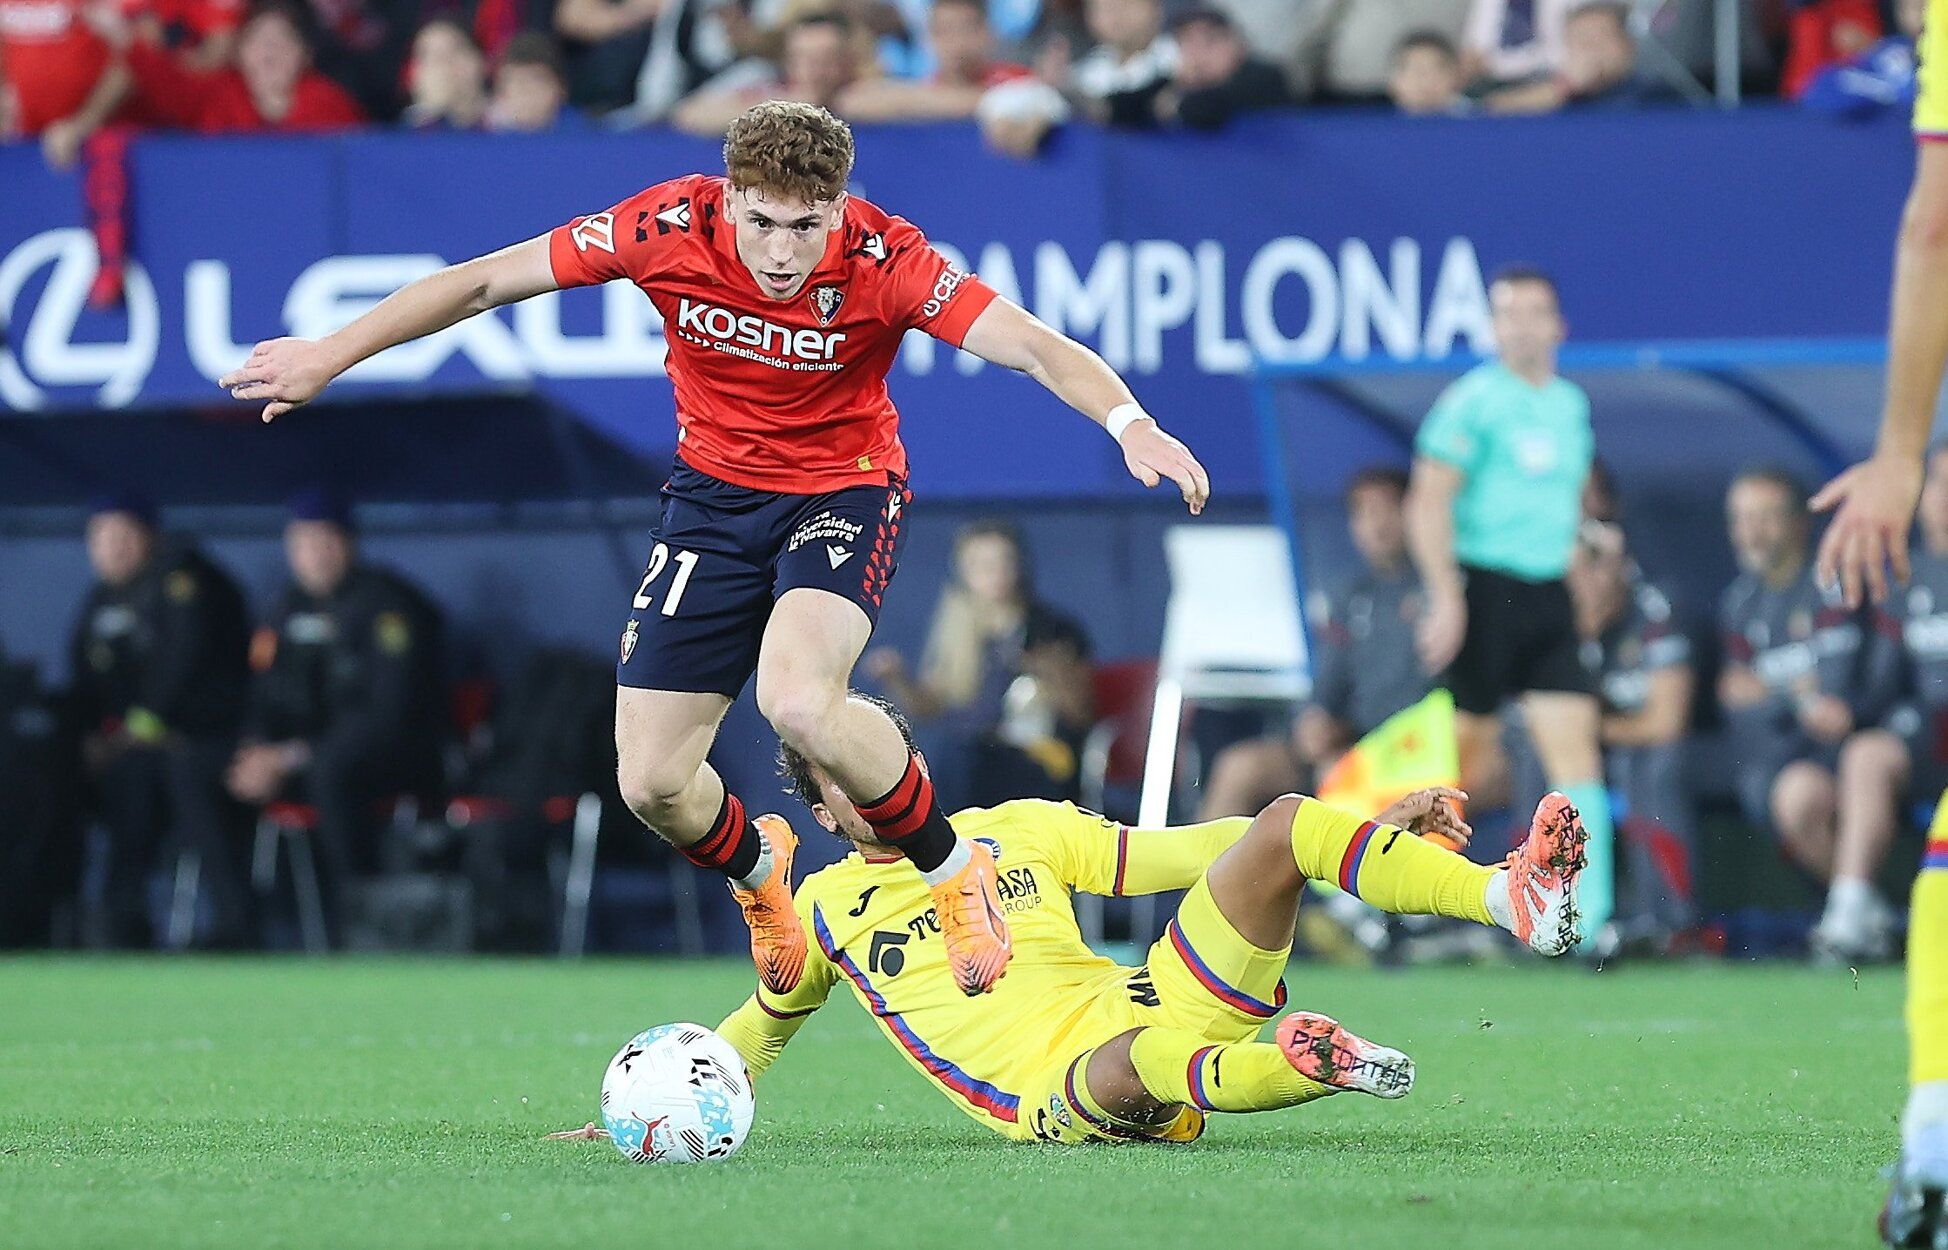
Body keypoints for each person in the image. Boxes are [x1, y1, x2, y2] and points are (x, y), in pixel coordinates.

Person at [218, 101, 1208, 1000]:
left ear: (839, 208)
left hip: (843, 488)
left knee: (798, 700)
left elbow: (1035, 344)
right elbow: (480, 281)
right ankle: (760, 875)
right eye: (762, 221)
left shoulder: (886, 258)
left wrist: (1131, 423)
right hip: (711, 503)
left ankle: (953, 871)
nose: (781, 251)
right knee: (650, 781)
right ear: (728, 198)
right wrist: (328, 354)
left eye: (805, 225)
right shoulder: (663, 226)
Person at [680, 695, 1587, 1147]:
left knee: (1283, 821)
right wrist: (678, 1100)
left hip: (1156, 996)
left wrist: (1359, 829)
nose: (873, 777)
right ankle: (1314, 1066)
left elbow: (1205, 848)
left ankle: (1506, 897)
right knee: (1138, 1059)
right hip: (1053, 1089)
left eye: (879, 753)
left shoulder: (1016, 827)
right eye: (844, 772)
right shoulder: (822, 906)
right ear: (823, 812)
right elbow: (760, 1030)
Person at [1404, 265, 1614, 947]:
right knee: (1463, 764)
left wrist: (1581, 571)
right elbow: (1428, 502)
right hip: (1484, 590)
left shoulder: (1570, 406)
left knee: (1576, 754)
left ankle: (1587, 921)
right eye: (1507, 314)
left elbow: (1565, 505)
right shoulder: (1472, 401)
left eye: (1534, 313)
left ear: (1558, 326)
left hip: (1547, 596)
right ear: (1493, 327)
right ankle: (1394, 898)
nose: (1521, 327)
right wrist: (1446, 595)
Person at [226, 493, 446, 940]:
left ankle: (356, 918)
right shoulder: (285, 609)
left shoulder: (387, 606)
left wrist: (292, 756)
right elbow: (263, 695)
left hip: (390, 759)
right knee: (208, 769)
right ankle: (237, 925)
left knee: (331, 771)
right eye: (303, 543)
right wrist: (255, 748)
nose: (315, 555)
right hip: (299, 757)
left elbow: (388, 714)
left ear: (349, 543)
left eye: (325, 541)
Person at [1719, 467, 1904, 961]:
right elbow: (1736, 699)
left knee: (1861, 759)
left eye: (1766, 517)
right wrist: (1797, 697)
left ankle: (1852, 916)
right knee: (1794, 794)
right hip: (1798, 758)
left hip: (1868, 742)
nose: (1752, 532)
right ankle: (1870, 913)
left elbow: (1837, 708)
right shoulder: (1739, 604)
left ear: (1799, 523)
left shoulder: (1836, 581)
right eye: (1742, 519)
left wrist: (1775, 694)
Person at [68, 494, 255, 948]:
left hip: (208, 737)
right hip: (134, 746)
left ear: (150, 536)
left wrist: (132, 733)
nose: (114, 548)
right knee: (109, 777)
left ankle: (235, 925)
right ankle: (116, 922)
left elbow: (180, 670)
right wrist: (89, 738)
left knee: (185, 777)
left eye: (124, 535)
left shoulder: (186, 582)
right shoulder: (101, 599)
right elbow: (84, 681)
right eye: (102, 537)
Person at [1198, 466, 1429, 820]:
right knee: (1239, 767)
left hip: (1405, 750)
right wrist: (1314, 721)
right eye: (1364, 512)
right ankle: (1210, 860)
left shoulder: (1440, 590)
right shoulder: (1349, 594)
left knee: (1338, 781)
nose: (1377, 524)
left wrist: (1354, 745)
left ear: (1414, 512)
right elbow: (1328, 680)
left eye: (1387, 508)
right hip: (1343, 745)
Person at [865, 519, 1093, 811]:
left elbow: (1080, 715)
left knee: (959, 756)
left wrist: (1049, 671)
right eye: (981, 565)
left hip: (1040, 762)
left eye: (1003, 562)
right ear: (962, 573)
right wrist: (897, 678)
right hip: (973, 761)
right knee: (939, 752)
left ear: (1020, 566)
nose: (994, 574)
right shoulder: (958, 632)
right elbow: (931, 707)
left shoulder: (1051, 630)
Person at [1566, 519, 1695, 947]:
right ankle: (1543, 916)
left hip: (1672, 748)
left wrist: (1589, 729)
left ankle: (1672, 922)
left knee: (1648, 765)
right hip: (1602, 747)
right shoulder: (1565, 618)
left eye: (1598, 568)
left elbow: (1666, 723)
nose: (1587, 583)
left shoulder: (1654, 610)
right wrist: (1583, 635)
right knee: (1533, 758)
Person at [128, 1, 362, 133]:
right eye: (258, 39)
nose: (270, 51)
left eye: (284, 39)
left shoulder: (331, 104)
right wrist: (137, 38)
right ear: (239, 53)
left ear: (305, 54)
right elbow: (161, 80)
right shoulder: (215, 97)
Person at [835, 0, 1029, 123]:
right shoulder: (922, 84)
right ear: (929, 38)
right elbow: (851, 102)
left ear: (988, 33)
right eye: (944, 31)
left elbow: (1032, 101)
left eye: (966, 29)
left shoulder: (1016, 80)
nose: (956, 41)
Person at [1103, 6, 1288, 131]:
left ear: (1239, 45)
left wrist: (1176, 105)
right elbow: (1125, 106)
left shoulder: (1264, 77)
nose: (1198, 53)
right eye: (1187, 42)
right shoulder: (1169, 83)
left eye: (1210, 41)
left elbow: (1214, 105)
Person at [671, 11, 858, 135]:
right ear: (788, 59)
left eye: (825, 58)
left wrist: (834, 103)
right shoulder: (766, 89)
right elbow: (689, 114)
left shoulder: (860, 88)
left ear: (846, 60)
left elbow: (869, 99)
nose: (814, 69)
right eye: (803, 57)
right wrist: (781, 110)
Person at [486, 31, 585, 131]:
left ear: (561, 89)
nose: (527, 92)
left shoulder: (582, 131)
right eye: (518, 81)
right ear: (500, 91)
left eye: (537, 81)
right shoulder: (485, 130)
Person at [401, 15, 486, 129]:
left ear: (479, 61)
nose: (442, 64)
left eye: (454, 51)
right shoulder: (397, 133)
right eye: (429, 55)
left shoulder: (504, 124)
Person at [1388, 28, 1468, 116]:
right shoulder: (1381, 119)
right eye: (1416, 71)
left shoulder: (1471, 117)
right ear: (1394, 80)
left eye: (1436, 72)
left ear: (1455, 77)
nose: (1426, 81)